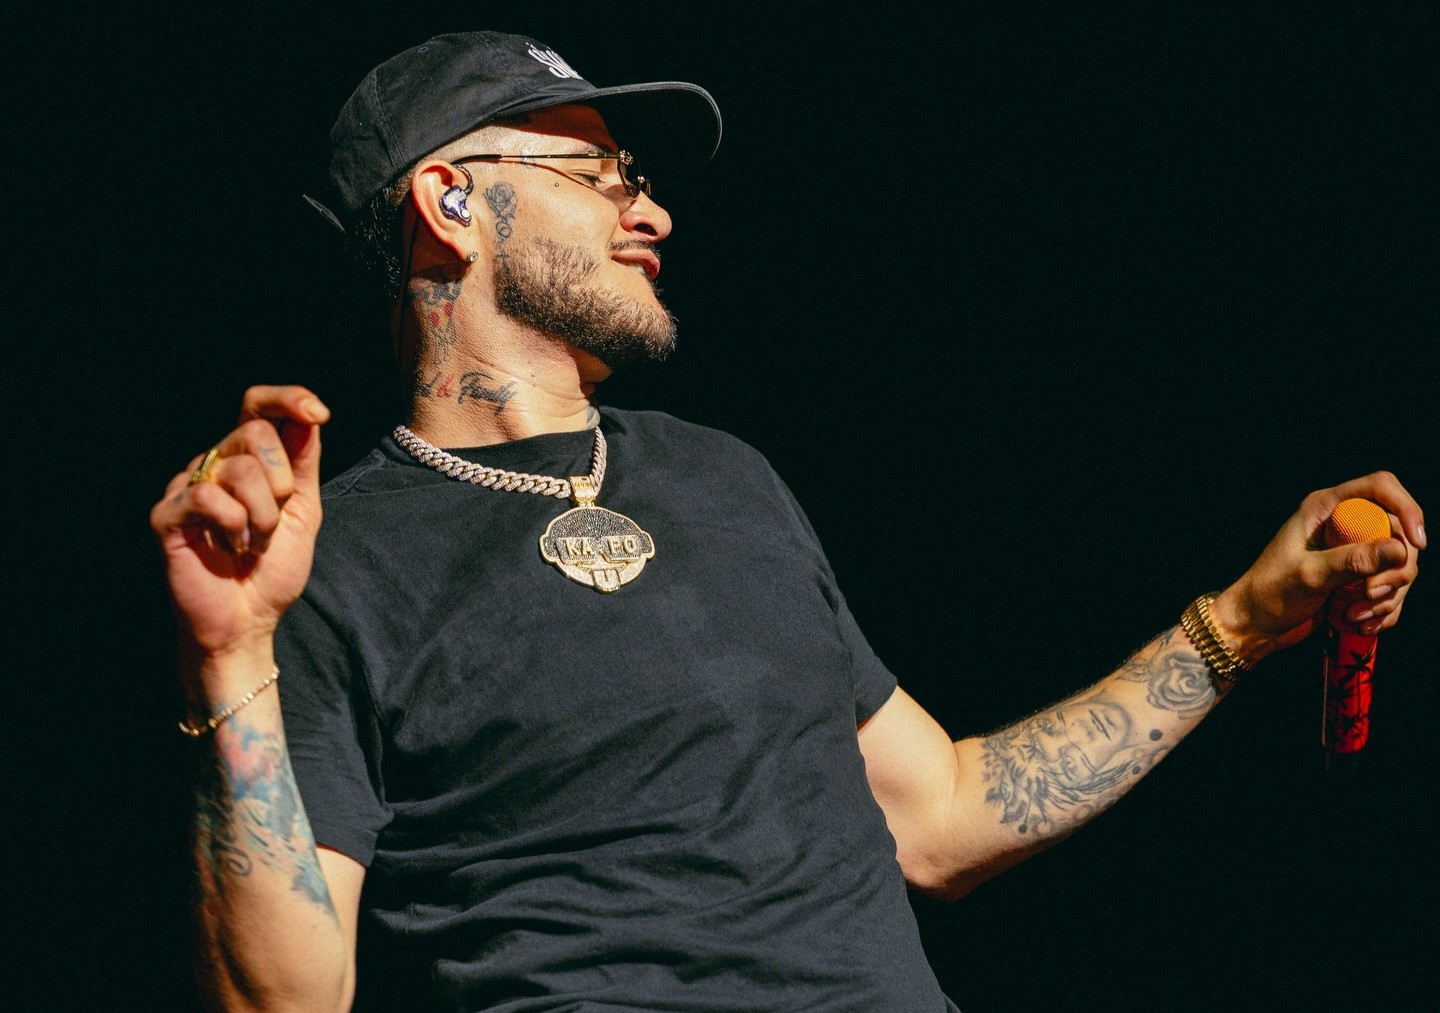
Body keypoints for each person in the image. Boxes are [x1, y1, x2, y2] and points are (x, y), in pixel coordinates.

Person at [149, 30, 1425, 1013]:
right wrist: (228, 650)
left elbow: (941, 814)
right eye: (599, 173)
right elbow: (285, 998)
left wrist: (1239, 622)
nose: (651, 211)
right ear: (451, 202)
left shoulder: (723, 478)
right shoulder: (324, 556)